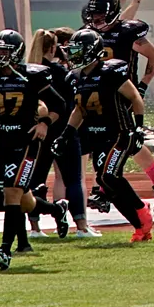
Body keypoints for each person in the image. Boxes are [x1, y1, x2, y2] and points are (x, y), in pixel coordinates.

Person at [0, 30, 68, 270]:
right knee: (10, 200)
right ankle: (55, 209)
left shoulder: (32, 76)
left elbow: (58, 105)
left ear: (17, 53)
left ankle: (5, 249)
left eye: (4, 51)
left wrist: (44, 123)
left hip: (25, 143)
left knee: (12, 193)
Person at [53, 28, 154, 239]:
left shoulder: (111, 71)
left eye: (79, 50)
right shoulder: (75, 77)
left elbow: (135, 98)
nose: (73, 55)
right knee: (106, 182)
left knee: (108, 176)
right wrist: (66, 133)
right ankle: (139, 223)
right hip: (96, 135)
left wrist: (138, 127)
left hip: (120, 132)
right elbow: (79, 109)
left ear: (92, 51)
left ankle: (142, 216)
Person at [81, 0, 154, 212]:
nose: (94, 20)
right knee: (131, 144)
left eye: (100, 16)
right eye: (92, 16)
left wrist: (143, 85)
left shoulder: (126, 33)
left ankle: (102, 189)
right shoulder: (92, 32)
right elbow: (114, 14)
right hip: (96, 94)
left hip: (121, 95)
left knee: (110, 139)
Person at [23, 29, 95, 239]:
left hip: (38, 133)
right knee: (73, 179)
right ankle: (81, 226)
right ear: (53, 48)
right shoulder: (63, 73)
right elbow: (74, 101)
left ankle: (35, 228)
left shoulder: (29, 71)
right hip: (64, 132)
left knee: (36, 180)